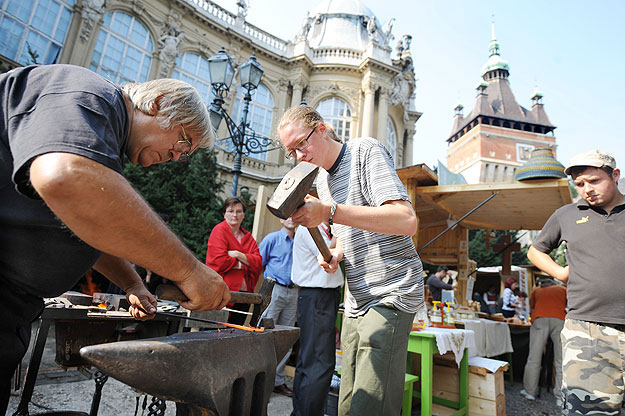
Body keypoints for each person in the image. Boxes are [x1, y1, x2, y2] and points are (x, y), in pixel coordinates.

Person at [0, 64, 230, 413]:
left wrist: (132, 284)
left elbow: (83, 223)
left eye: (186, 155)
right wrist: (190, 272)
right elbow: (66, 177)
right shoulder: (91, 94)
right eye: (184, 143)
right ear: (158, 103)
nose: (178, 157)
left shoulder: (105, 140)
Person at [278, 106, 425, 415]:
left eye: (301, 144)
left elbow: (406, 219)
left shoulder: (364, 150)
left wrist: (330, 211)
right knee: (346, 404)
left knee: (370, 406)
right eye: (291, 152)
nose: (299, 156)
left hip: (391, 291)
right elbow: (349, 233)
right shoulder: (323, 180)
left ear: (321, 129)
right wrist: (335, 256)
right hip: (356, 300)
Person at [527, 149, 625, 415]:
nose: (586, 190)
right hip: (588, 330)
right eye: (579, 184)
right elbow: (535, 251)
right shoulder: (567, 214)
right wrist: (560, 273)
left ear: (615, 175)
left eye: (594, 181)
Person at [291, 221, 344, 416]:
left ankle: (300, 412)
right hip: (317, 296)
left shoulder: (321, 228)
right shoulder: (310, 228)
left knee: (309, 360)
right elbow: (328, 255)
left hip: (317, 297)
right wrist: (343, 232)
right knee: (319, 364)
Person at [205, 197, 262, 325]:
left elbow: (258, 262)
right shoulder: (219, 231)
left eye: (239, 211)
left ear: (244, 215)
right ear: (224, 214)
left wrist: (237, 254)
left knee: (235, 332)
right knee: (215, 331)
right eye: (231, 211)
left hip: (244, 295)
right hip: (222, 292)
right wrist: (245, 263)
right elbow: (219, 261)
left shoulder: (248, 237)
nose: (235, 215)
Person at [258, 217, 298, 397]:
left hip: (294, 292)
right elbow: (258, 263)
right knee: (264, 334)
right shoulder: (271, 239)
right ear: (281, 219)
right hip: (274, 290)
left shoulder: (302, 242)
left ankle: (277, 381)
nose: (290, 218)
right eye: (287, 215)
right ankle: (258, 380)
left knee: (286, 337)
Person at [520, 278, 567, 407]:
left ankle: (530, 392)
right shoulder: (563, 290)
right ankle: (560, 397)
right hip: (559, 320)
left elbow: (533, 308)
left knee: (534, 358)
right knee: (560, 360)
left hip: (540, 319)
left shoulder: (536, 290)